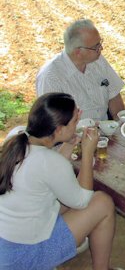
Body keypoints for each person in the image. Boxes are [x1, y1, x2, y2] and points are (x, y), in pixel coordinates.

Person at [0, 93, 117, 270]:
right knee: (102, 202)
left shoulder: (17, 138)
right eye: (74, 122)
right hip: (22, 258)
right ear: (58, 130)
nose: (77, 124)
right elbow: (83, 200)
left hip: (7, 244)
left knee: (63, 199)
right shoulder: (50, 162)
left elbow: (49, 171)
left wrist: (69, 143)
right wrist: (87, 152)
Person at [36, 19, 125, 121]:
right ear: (78, 52)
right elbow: (53, 125)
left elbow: (114, 95)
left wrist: (119, 125)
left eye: (100, 43)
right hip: (74, 135)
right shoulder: (50, 77)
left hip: (104, 130)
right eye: (96, 46)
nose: (101, 48)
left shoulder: (98, 60)